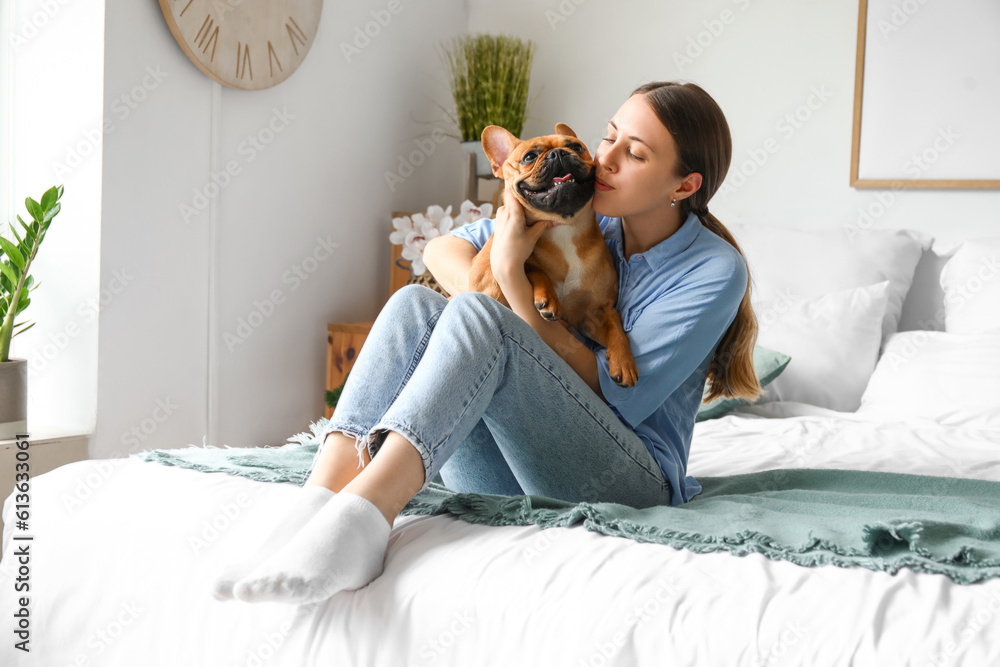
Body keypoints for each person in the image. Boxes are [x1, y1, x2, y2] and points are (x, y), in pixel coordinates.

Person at [209, 80, 763, 606]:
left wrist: (508, 273)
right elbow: (437, 253)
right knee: (413, 304)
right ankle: (321, 499)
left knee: (477, 311)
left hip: (625, 482)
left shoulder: (714, 270)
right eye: (609, 135)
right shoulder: (575, 207)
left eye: (635, 153)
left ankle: (367, 517)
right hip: (517, 468)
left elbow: (615, 396)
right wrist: (499, 262)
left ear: (685, 185)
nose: (608, 158)